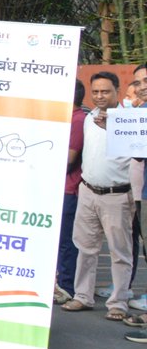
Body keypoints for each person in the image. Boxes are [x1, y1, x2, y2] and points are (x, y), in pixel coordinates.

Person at [63, 72, 133, 322]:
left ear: (117, 90)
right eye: (96, 92)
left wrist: (114, 127)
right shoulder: (88, 118)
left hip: (117, 195)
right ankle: (82, 296)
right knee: (85, 248)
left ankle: (118, 302)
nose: (100, 96)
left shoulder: (130, 120)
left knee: (119, 252)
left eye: (105, 91)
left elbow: (139, 152)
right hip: (88, 191)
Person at [54, 80, 86, 305]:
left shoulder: (77, 120)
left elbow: (69, 160)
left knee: (67, 241)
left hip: (69, 189)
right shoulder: (65, 119)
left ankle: (67, 286)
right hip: (58, 188)